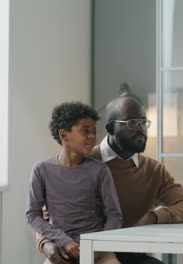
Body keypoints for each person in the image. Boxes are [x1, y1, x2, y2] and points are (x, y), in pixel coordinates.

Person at [36, 96, 183, 264]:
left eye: (143, 123)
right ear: (111, 128)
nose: (140, 129)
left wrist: (153, 216)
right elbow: (46, 215)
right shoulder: (80, 161)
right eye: (131, 123)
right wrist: (46, 244)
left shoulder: (154, 170)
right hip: (80, 253)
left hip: (130, 253)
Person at [26, 102, 123, 264]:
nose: (92, 136)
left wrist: (98, 247)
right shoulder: (41, 170)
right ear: (64, 135)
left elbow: (114, 215)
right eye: (85, 131)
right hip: (61, 251)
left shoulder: (100, 170)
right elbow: (33, 215)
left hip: (97, 251)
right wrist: (64, 242)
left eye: (93, 131)